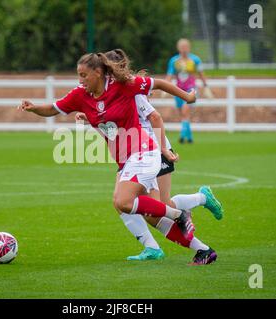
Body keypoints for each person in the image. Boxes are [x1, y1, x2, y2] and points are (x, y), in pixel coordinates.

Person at [18, 52, 198, 253]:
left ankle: (179, 216)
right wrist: (34, 108)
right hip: (126, 158)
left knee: (124, 201)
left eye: (84, 75)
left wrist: (188, 96)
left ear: (98, 72)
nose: (80, 80)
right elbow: (53, 108)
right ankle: (196, 246)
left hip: (143, 151)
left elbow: (160, 84)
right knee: (139, 207)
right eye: (79, 75)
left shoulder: (124, 85)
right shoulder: (80, 94)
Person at [76, 49, 222, 265]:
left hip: (150, 149)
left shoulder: (129, 91)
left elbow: (155, 117)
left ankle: (200, 206)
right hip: (132, 155)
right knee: (136, 205)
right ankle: (162, 245)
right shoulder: (107, 95)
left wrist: (163, 148)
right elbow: (113, 129)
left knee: (156, 208)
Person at [165, 38, 212, 144]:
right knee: (183, 114)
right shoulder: (174, 61)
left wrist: (206, 86)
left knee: (185, 110)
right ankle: (189, 138)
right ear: (178, 48)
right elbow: (169, 74)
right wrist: (165, 88)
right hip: (177, 90)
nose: (184, 49)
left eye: (186, 47)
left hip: (191, 89)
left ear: (189, 48)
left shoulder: (195, 60)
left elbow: (201, 74)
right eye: (182, 47)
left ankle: (182, 136)